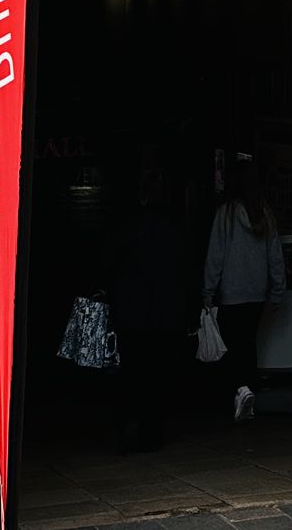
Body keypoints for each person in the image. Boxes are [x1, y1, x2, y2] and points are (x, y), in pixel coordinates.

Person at [202, 159, 285, 422]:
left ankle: (240, 392)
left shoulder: (224, 215)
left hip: (230, 293)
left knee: (231, 347)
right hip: (257, 293)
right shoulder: (264, 214)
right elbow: (276, 255)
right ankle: (247, 391)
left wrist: (207, 292)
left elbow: (215, 257)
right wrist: (278, 290)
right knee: (248, 343)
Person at [113, 169, 187, 453]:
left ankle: (133, 421)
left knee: (134, 371)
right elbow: (187, 271)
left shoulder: (129, 225)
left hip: (132, 313)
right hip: (168, 315)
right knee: (161, 373)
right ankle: (152, 429)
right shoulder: (177, 227)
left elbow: (112, 264)